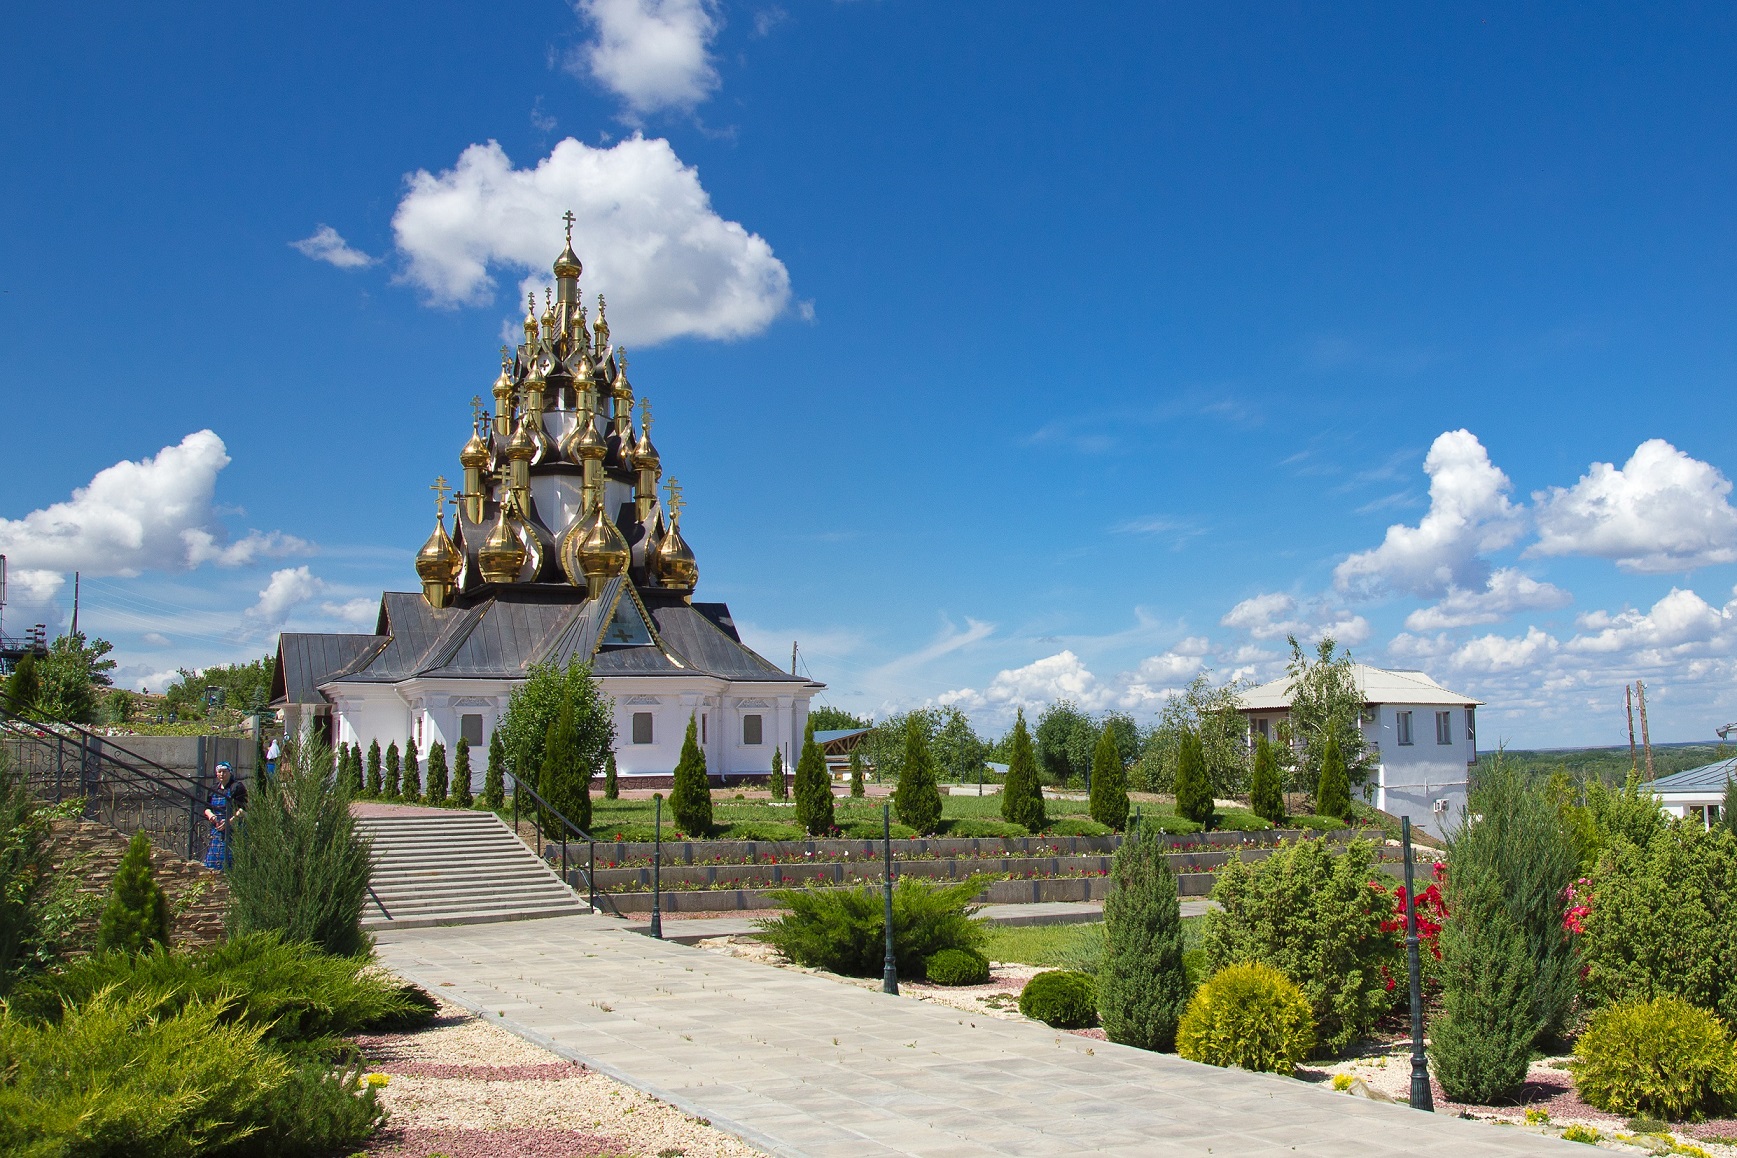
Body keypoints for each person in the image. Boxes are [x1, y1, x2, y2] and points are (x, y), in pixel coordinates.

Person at [203, 761, 249, 871]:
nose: (222, 774)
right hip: (217, 828)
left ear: (230, 772)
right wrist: (211, 816)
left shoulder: (237, 787)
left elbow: (242, 808)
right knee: (214, 858)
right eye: (219, 772)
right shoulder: (214, 788)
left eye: (224, 771)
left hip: (234, 827)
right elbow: (206, 807)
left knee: (232, 858)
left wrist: (229, 821)